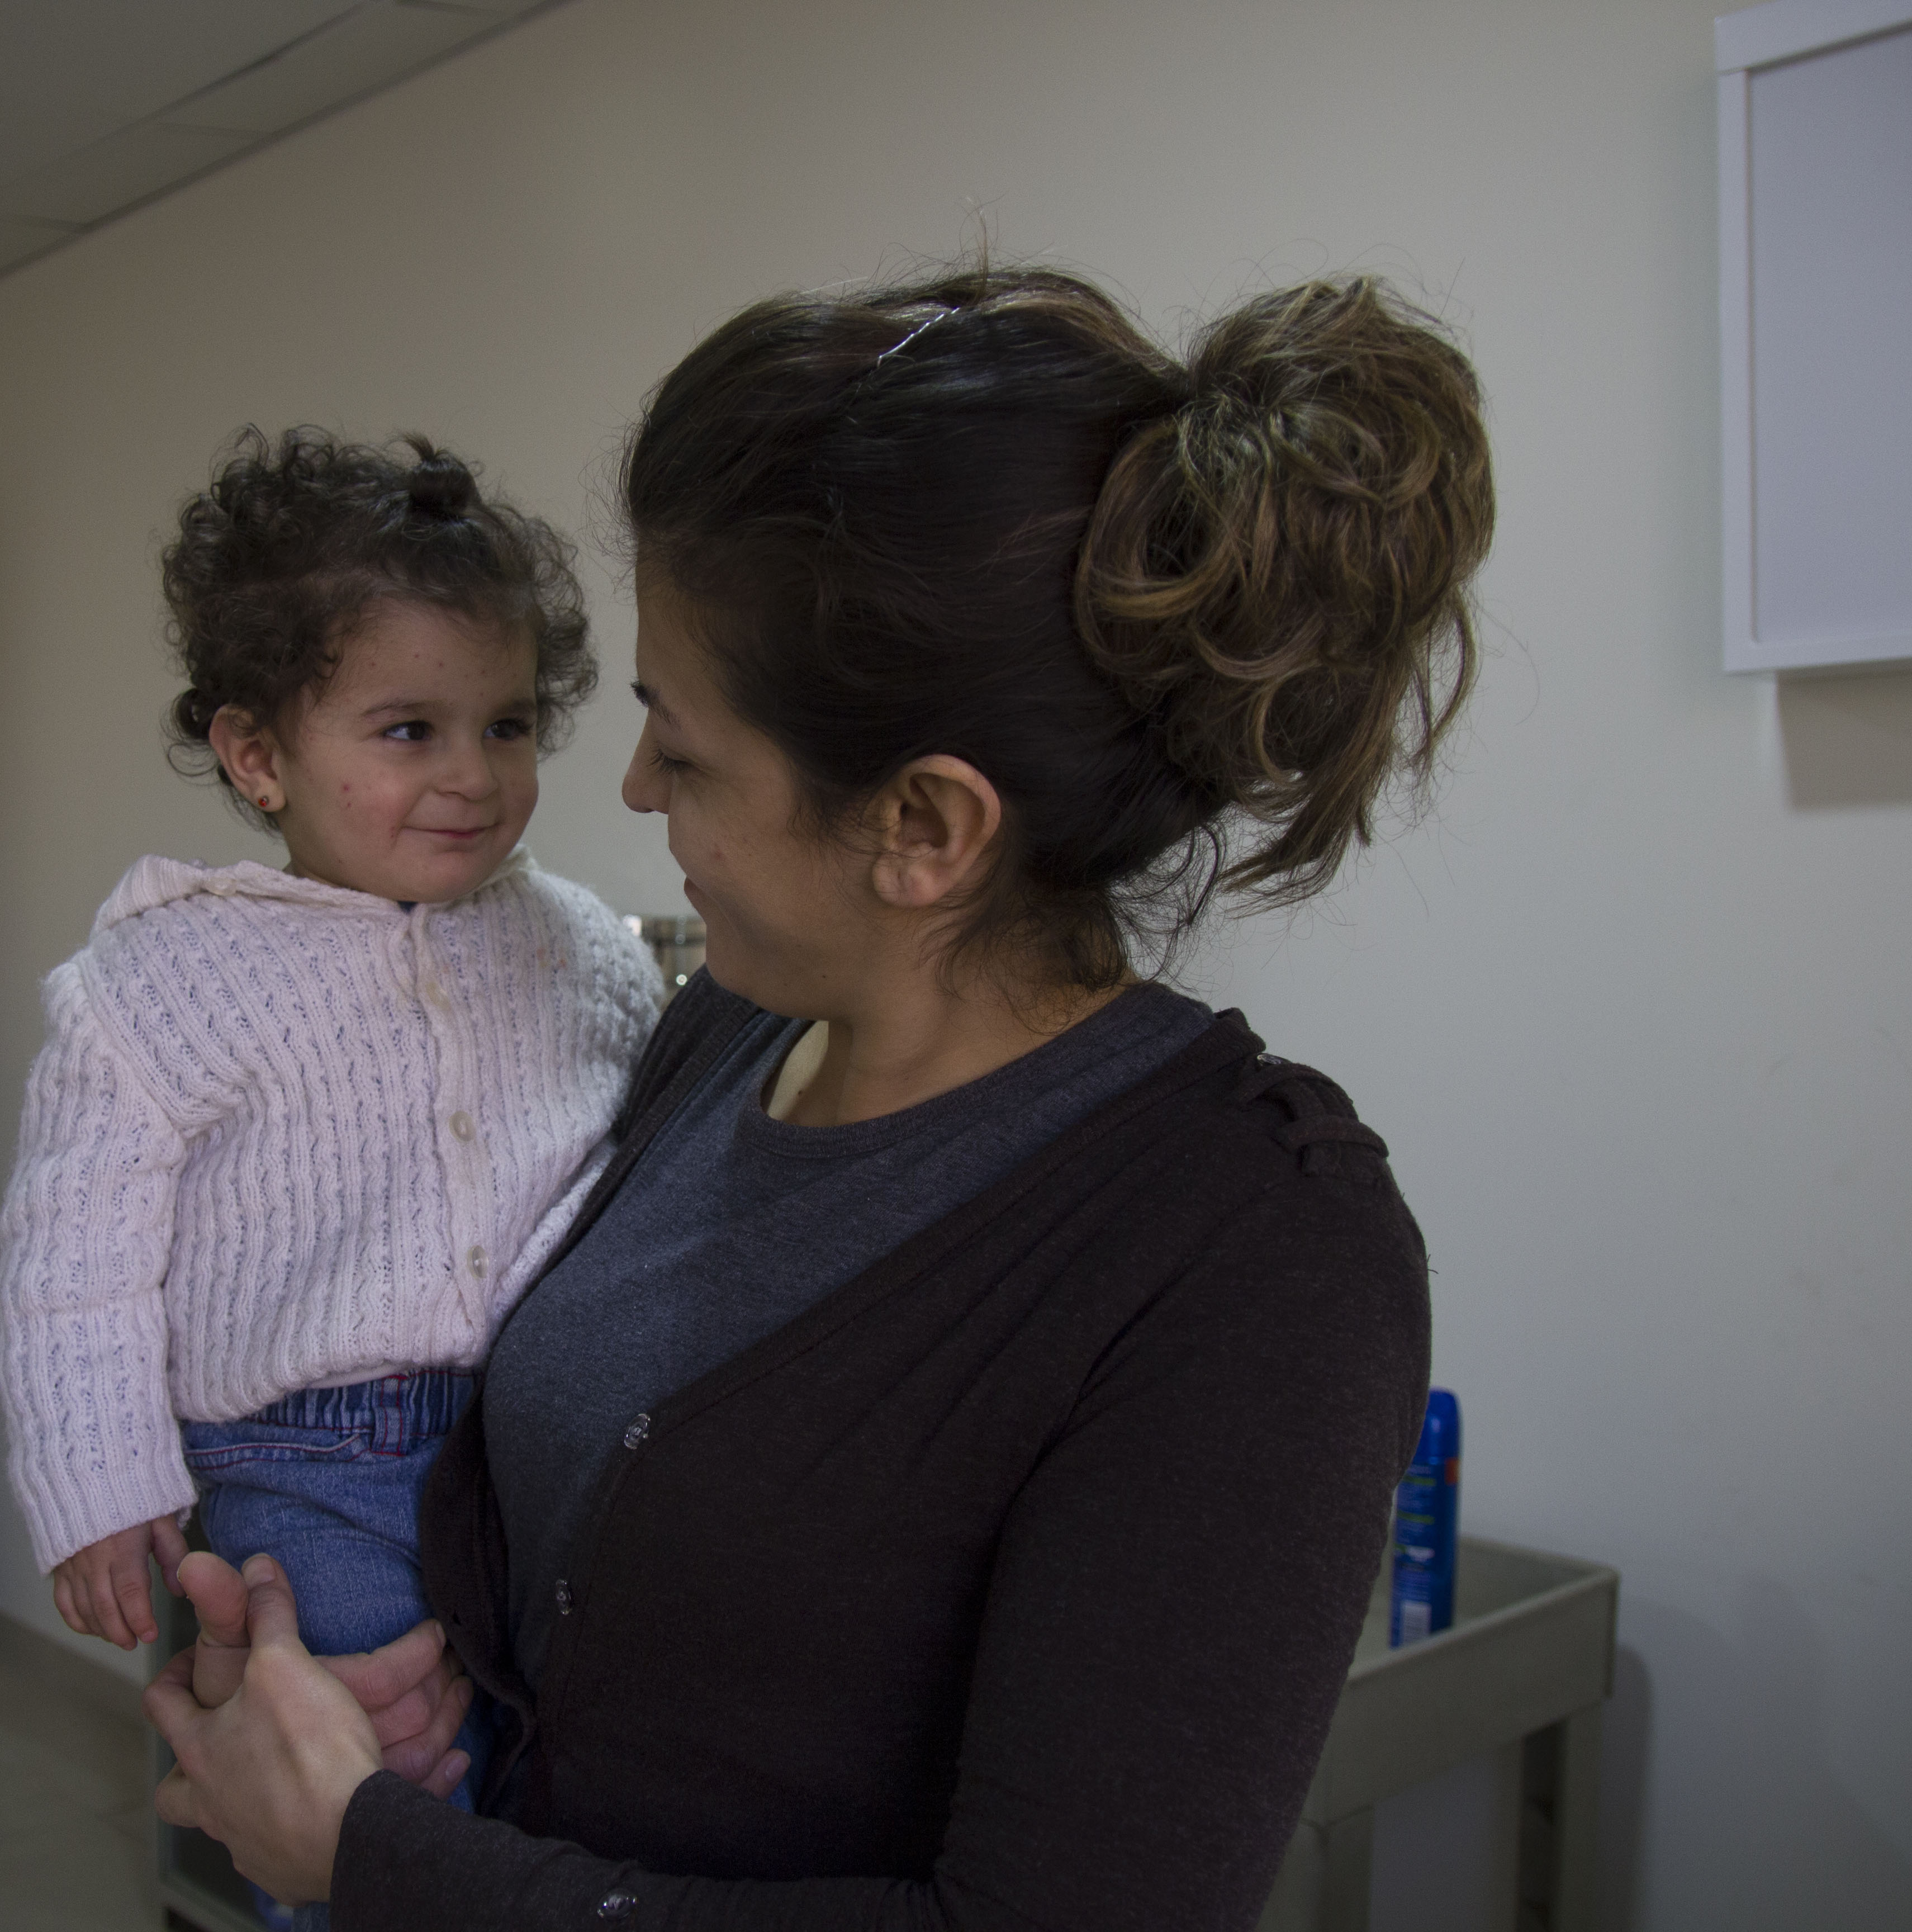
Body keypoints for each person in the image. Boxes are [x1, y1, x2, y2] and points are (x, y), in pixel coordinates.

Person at [143, 266, 1497, 1930]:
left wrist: (372, 1853)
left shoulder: (1249, 1256)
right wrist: (351, 1661)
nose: (632, 788)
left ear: (923, 829)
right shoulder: (724, 1032)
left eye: (682, 749)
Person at [0, 429, 662, 1916]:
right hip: (312, 1470)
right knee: (362, 1803)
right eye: (408, 730)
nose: (474, 778)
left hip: (541, 1455)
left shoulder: (580, 948)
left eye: (506, 727)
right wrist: (97, 1488)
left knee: (543, 1780)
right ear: (257, 754)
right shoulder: (161, 982)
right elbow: (72, 1265)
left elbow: (645, 1156)